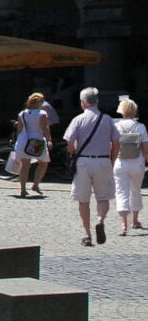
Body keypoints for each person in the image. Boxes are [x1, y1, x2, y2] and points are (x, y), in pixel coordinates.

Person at [64, 87, 120, 246]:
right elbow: (116, 143)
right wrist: (112, 160)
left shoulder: (78, 119)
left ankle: (87, 235)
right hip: (102, 161)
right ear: (97, 101)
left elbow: (69, 143)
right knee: (103, 197)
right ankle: (100, 220)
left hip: (83, 162)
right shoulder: (108, 119)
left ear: (83, 103)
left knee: (83, 200)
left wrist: (74, 151)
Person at [112, 97, 148, 236]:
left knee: (121, 192)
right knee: (135, 191)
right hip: (137, 163)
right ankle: (134, 220)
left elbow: (112, 147)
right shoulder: (141, 127)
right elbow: (146, 150)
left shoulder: (116, 126)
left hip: (120, 163)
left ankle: (123, 226)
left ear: (122, 111)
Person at [13, 93, 52, 198]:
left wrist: (18, 141)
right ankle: (35, 184)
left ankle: (23, 189)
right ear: (39, 102)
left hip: (24, 139)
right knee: (43, 163)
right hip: (36, 140)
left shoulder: (22, 113)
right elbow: (44, 127)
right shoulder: (41, 113)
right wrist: (49, 139)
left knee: (25, 166)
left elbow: (19, 129)